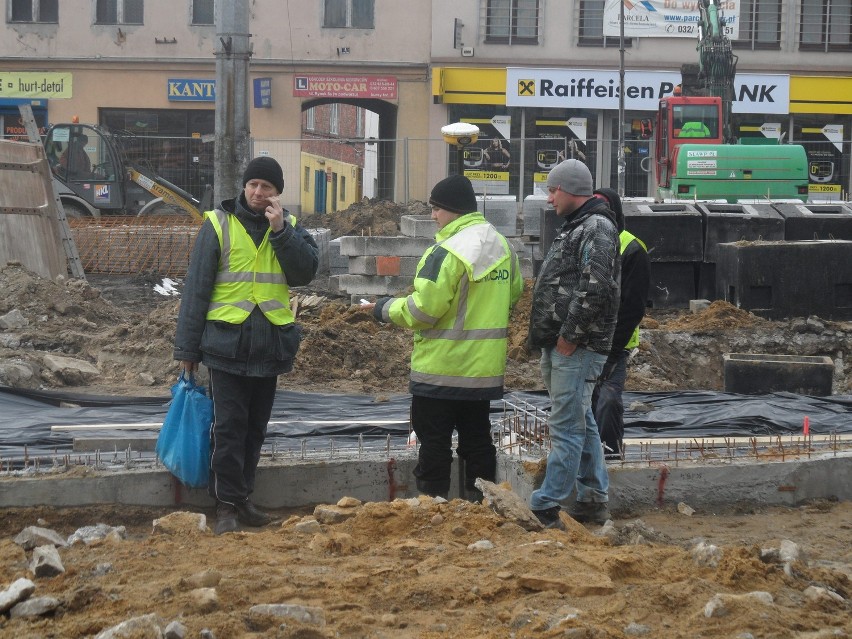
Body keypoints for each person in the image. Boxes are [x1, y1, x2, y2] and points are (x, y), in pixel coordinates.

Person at [174, 156, 319, 535]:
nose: (258, 192)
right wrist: (187, 352)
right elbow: (196, 291)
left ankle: (243, 498)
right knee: (229, 427)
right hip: (225, 347)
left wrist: (281, 231)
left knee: (255, 428)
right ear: (244, 187)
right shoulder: (218, 225)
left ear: (277, 194)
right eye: (253, 184)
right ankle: (225, 505)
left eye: (266, 187)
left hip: (270, 347)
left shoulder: (288, 228)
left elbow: (305, 272)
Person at [367, 174, 523, 500]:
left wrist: (383, 308)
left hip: (440, 369)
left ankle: (434, 509)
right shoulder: (502, 246)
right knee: (478, 441)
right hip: (481, 372)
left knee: (434, 443)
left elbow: (423, 310)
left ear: (452, 210)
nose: (433, 216)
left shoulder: (447, 251)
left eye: (436, 209)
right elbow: (514, 293)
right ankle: (482, 508)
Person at [527, 159, 620, 529]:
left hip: (576, 346)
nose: (549, 198)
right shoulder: (577, 226)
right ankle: (593, 497)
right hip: (563, 342)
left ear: (570, 190)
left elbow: (595, 288)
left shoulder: (596, 227)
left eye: (553, 190)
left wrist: (570, 337)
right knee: (580, 420)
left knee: (566, 425)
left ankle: (546, 504)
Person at [591, 188, 651, 459]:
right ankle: (586, 453)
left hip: (614, 343)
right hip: (582, 341)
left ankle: (609, 455)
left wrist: (613, 350)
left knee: (608, 399)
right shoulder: (584, 239)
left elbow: (633, 307)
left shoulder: (631, 248)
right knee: (584, 401)